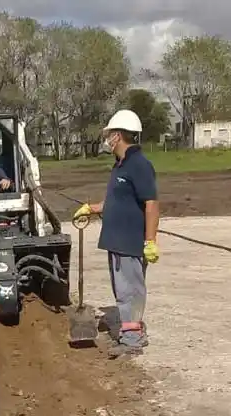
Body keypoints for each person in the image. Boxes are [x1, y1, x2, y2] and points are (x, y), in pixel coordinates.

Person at [73, 109, 160, 358]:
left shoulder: (139, 165)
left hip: (129, 242)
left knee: (129, 291)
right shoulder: (120, 166)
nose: (107, 138)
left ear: (118, 136)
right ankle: (133, 334)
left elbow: (151, 203)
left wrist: (150, 240)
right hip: (116, 241)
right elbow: (116, 202)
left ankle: (132, 339)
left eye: (110, 134)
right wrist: (92, 209)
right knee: (122, 290)